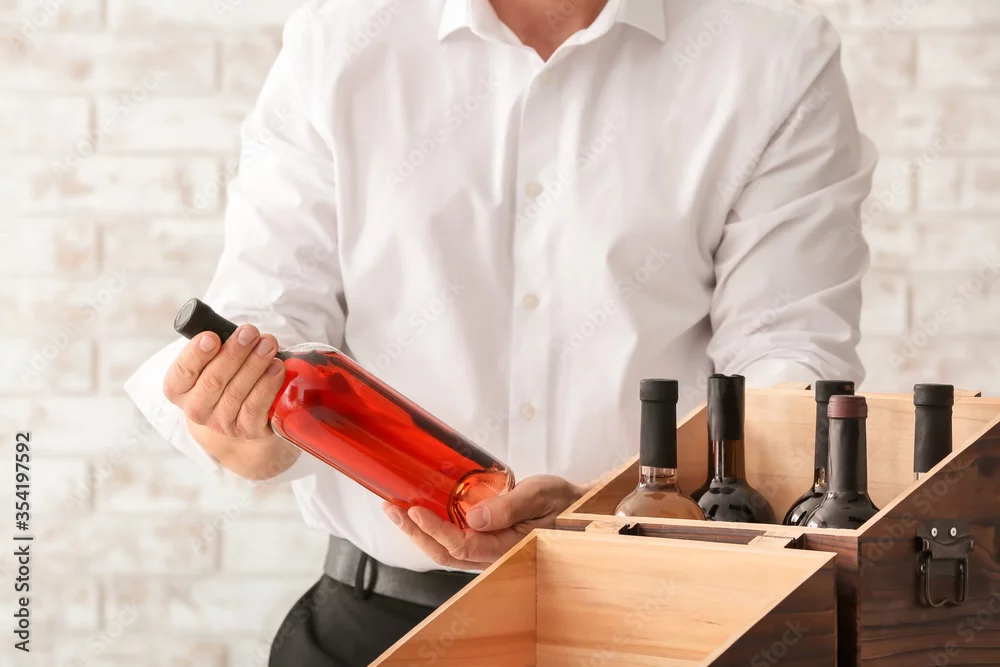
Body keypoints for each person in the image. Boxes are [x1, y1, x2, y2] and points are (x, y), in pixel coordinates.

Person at [125, 0, 877, 664]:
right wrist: (248, 428)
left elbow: (788, 373)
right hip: (375, 628)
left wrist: (612, 512)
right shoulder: (338, 43)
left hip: (662, 623)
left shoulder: (772, 58)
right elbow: (271, 319)